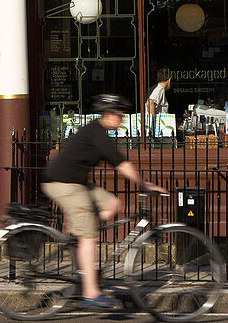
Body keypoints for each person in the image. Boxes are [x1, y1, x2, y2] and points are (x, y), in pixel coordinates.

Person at [42, 94, 166, 309]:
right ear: (110, 115)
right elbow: (121, 163)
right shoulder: (98, 133)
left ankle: (81, 233)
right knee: (90, 236)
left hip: (77, 183)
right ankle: (90, 292)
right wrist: (145, 185)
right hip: (62, 183)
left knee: (114, 203)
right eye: (121, 116)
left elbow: (117, 161)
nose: (123, 121)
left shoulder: (99, 132)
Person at [145, 69, 171, 138]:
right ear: (169, 80)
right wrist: (153, 124)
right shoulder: (159, 90)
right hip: (157, 132)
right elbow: (150, 102)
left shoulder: (155, 89)